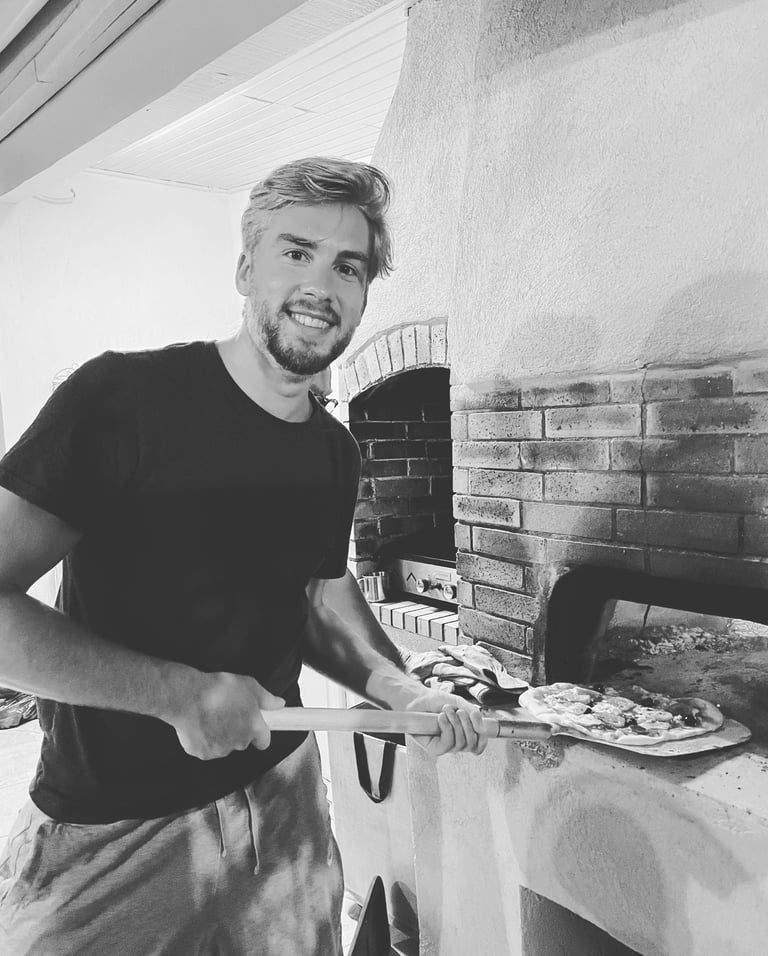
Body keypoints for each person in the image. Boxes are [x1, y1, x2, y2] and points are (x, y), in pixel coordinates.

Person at [0, 157, 488, 956]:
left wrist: (400, 688)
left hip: (285, 798)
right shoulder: (121, 400)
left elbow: (319, 593)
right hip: (117, 827)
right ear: (244, 269)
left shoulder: (333, 451)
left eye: (348, 266)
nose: (321, 285)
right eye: (296, 252)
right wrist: (177, 693)